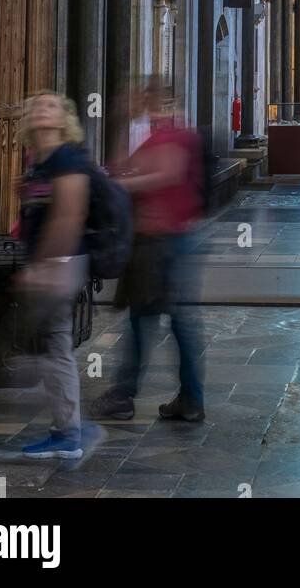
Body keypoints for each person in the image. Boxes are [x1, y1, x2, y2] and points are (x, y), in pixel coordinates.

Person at [93, 84, 207, 423]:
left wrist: (121, 185)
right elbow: (122, 167)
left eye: (151, 100)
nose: (147, 106)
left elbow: (166, 175)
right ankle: (185, 399)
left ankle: (127, 395)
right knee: (155, 318)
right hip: (156, 241)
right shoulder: (154, 136)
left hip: (165, 241)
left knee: (157, 319)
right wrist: (121, 124)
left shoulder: (174, 135)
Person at [16, 93, 91, 460]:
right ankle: (68, 428)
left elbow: (68, 217)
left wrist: (44, 266)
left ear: (64, 120)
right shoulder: (38, 161)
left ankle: (68, 433)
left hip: (60, 264)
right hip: (47, 264)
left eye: (50, 106)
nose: (40, 110)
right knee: (52, 345)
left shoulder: (67, 158)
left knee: (55, 347)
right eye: (35, 106)